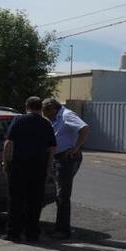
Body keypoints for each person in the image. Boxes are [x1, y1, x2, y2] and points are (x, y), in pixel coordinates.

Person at [2, 96, 56, 243]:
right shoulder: (46, 124)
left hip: (19, 166)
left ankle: (13, 233)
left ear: (27, 107)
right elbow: (52, 147)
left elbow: (8, 143)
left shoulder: (19, 120)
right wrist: (49, 166)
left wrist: (5, 162)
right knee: (35, 201)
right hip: (38, 167)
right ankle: (32, 233)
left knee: (16, 201)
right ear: (40, 108)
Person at [42, 98, 90, 240]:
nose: (45, 116)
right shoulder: (57, 117)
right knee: (59, 194)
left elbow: (84, 128)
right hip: (58, 158)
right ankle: (59, 227)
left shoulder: (66, 115)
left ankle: (63, 230)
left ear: (51, 108)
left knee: (62, 194)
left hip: (66, 158)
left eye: (46, 112)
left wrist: (76, 148)